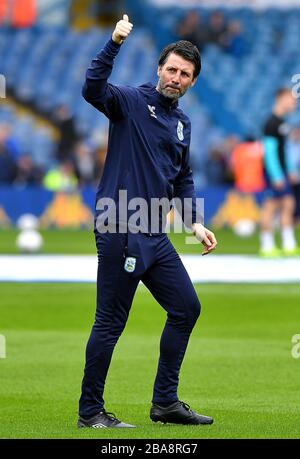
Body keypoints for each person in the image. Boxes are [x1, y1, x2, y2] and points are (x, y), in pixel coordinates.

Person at [77, 14, 217, 429]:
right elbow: (92, 89)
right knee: (110, 323)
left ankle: (165, 403)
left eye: (185, 74)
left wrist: (194, 222)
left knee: (186, 308)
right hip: (120, 226)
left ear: (192, 82)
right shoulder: (131, 102)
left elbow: (183, 177)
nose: (176, 77)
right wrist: (115, 42)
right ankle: (90, 412)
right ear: (159, 69)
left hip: (154, 233)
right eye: (171, 69)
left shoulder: (182, 124)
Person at [259, 88, 299, 257]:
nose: (294, 103)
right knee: (271, 206)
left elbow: (284, 150)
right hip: (274, 173)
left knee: (288, 204)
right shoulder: (271, 123)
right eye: (291, 99)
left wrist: (290, 170)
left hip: (282, 171)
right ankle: (267, 245)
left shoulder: (282, 122)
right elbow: (269, 152)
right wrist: (276, 175)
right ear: (281, 98)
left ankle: (287, 243)